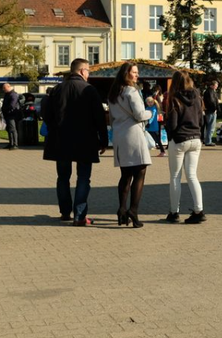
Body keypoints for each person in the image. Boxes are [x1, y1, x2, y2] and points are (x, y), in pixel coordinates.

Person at [42, 59, 107, 225]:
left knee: (63, 177)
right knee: (83, 178)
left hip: (60, 139)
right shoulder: (89, 90)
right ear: (82, 71)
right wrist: (103, 139)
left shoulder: (57, 89)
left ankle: (65, 212)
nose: (89, 75)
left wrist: (53, 127)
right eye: (88, 71)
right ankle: (79, 216)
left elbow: (46, 113)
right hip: (85, 140)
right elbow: (99, 117)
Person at [108, 63, 153, 228]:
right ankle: (133, 210)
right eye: (134, 72)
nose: (137, 75)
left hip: (120, 135)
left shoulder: (113, 93)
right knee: (140, 173)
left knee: (125, 175)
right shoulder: (131, 92)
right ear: (127, 74)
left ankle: (121, 210)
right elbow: (140, 115)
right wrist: (151, 111)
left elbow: (111, 119)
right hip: (134, 134)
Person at [165, 70, 205, 224]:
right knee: (192, 175)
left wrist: (170, 136)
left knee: (175, 176)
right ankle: (198, 210)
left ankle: (174, 212)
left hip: (180, 139)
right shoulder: (197, 98)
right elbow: (201, 120)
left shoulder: (175, 99)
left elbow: (173, 123)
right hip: (195, 138)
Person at [1, 83, 22, 149]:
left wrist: (5, 109)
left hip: (12, 115)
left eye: (4, 88)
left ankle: (15, 144)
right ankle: (11, 143)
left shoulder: (13, 94)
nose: (3, 90)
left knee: (13, 129)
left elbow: (12, 105)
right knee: (9, 129)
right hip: (8, 114)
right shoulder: (8, 94)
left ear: (8, 87)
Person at [202, 80, 219, 146]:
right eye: (216, 85)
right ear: (212, 85)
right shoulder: (211, 92)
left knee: (207, 126)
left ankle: (205, 139)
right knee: (211, 127)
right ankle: (208, 141)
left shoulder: (207, 91)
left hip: (207, 111)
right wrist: (215, 108)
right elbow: (212, 101)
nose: (217, 86)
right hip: (211, 111)